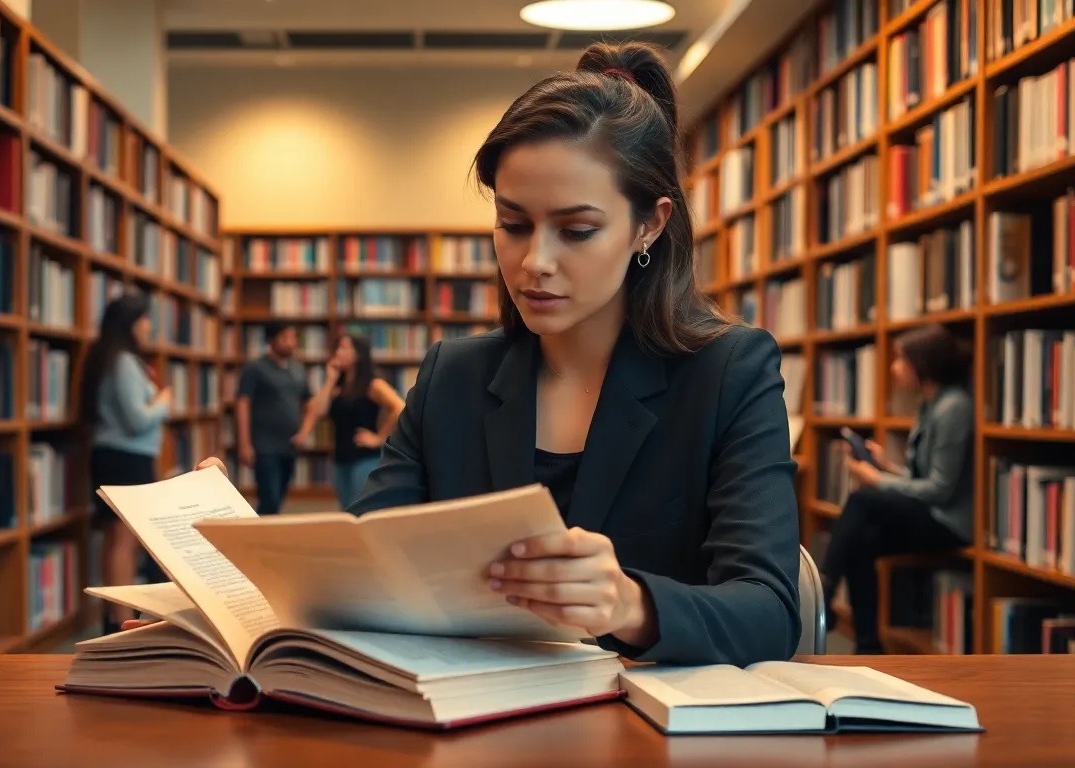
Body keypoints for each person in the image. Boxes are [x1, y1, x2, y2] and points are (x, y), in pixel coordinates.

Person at [190, 41, 800, 667]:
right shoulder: (451, 378)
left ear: (649, 224)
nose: (535, 261)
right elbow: (364, 566)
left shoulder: (730, 373)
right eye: (513, 224)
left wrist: (630, 603)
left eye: (577, 230)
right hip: (466, 729)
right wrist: (248, 557)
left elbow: (770, 611)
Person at [820, 323, 974, 654]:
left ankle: (824, 590)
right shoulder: (930, 403)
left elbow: (940, 489)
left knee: (862, 501)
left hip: (948, 521)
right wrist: (885, 467)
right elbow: (921, 476)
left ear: (924, 363)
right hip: (930, 510)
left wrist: (876, 479)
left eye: (901, 360)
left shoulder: (955, 408)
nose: (893, 368)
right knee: (863, 540)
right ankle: (867, 644)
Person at [80, 292, 172, 635]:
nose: (150, 327)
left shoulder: (107, 358)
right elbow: (137, 419)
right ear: (131, 324)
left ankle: (113, 615)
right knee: (125, 539)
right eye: (146, 319)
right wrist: (163, 401)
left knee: (114, 537)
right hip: (127, 457)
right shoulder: (124, 362)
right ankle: (121, 621)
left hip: (112, 455)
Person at [294, 334, 407, 509]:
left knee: (360, 508)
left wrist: (379, 437)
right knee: (346, 509)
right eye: (338, 348)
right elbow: (318, 411)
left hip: (364, 457)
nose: (339, 352)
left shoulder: (372, 384)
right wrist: (330, 378)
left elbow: (399, 407)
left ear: (358, 355)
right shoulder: (336, 388)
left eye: (345, 348)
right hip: (340, 459)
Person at [238, 322, 312, 515]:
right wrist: (244, 443)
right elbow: (243, 403)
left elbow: (310, 402)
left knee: (279, 497)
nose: (291, 343)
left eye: (293, 337)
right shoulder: (255, 368)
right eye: (285, 338)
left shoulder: (298, 369)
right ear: (271, 340)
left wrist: (305, 431)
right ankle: (262, 540)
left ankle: (264, 535)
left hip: (290, 445)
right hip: (264, 446)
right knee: (269, 498)